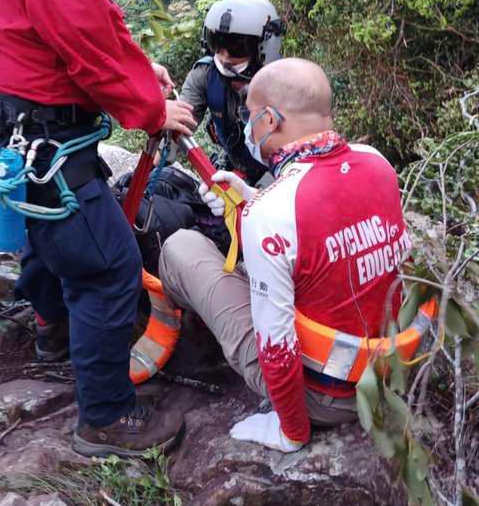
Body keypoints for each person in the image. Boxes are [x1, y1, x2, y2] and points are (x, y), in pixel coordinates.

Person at [0, 0, 196, 458]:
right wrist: (156, 111)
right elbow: (96, 63)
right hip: (42, 141)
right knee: (107, 267)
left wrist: (140, 67)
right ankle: (105, 417)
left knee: (51, 240)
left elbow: (98, 30)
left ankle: (53, 330)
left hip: (18, 129)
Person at [159, 58, 411, 451]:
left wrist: (291, 431)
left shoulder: (274, 212)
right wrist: (251, 199)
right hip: (391, 373)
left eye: (250, 117)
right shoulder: (375, 161)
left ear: (271, 120)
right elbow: (327, 224)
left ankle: (172, 334)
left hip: (327, 398)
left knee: (180, 247)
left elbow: (277, 345)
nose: (248, 127)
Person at [180, 0, 284, 186]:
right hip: (233, 166)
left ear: (263, 46)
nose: (226, 56)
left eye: (237, 46)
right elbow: (181, 122)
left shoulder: (286, 84)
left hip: (279, 176)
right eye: (218, 44)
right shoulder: (205, 73)